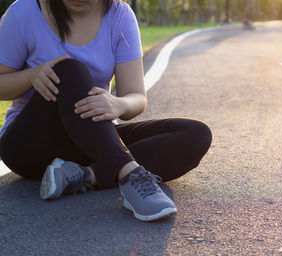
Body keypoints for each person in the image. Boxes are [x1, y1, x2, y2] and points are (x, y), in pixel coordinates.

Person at [0, 0, 212, 222]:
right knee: (68, 69)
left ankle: (86, 176)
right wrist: (32, 75)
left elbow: (136, 97)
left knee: (196, 134)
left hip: (93, 142)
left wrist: (118, 104)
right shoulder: (23, 12)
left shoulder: (120, 16)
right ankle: (130, 175)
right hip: (30, 147)